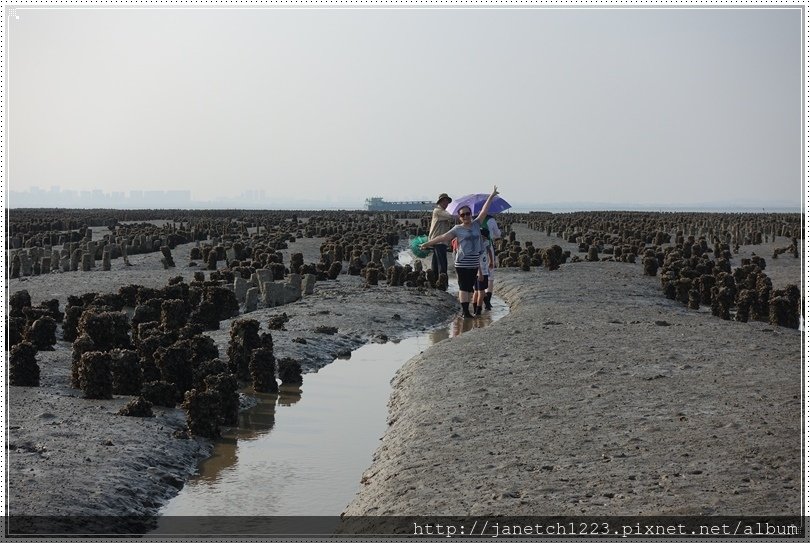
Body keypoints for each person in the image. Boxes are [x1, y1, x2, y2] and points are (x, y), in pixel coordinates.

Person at [420, 186, 500, 318]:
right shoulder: (457, 229)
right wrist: (426, 244)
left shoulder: (476, 224)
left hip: (474, 263)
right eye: (463, 215)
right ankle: (465, 312)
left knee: (469, 289)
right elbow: (442, 237)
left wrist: (491, 196)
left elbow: (484, 211)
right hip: (462, 263)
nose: (466, 216)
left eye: (468, 214)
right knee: (463, 288)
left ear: (471, 214)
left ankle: (467, 310)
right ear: (460, 217)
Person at [428, 193, 454, 277]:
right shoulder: (438, 211)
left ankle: (435, 280)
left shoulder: (442, 212)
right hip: (439, 241)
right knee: (442, 263)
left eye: (447, 202)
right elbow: (451, 216)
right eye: (444, 202)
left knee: (436, 262)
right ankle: (443, 282)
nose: (446, 204)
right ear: (440, 202)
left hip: (439, 240)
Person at [481, 214, 501, 310]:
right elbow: (497, 234)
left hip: (475, 248)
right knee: (490, 275)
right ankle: (488, 301)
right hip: (488, 247)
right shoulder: (491, 220)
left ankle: (482, 299)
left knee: (478, 275)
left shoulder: (474, 219)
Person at [473, 228, 494, 316]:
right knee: (480, 292)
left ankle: (476, 310)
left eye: (485, 238)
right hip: (480, 272)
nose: (484, 239)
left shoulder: (485, 243)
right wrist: (480, 273)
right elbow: (476, 260)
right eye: (483, 237)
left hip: (482, 271)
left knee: (477, 291)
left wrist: (491, 261)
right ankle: (478, 311)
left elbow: (489, 249)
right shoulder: (478, 246)